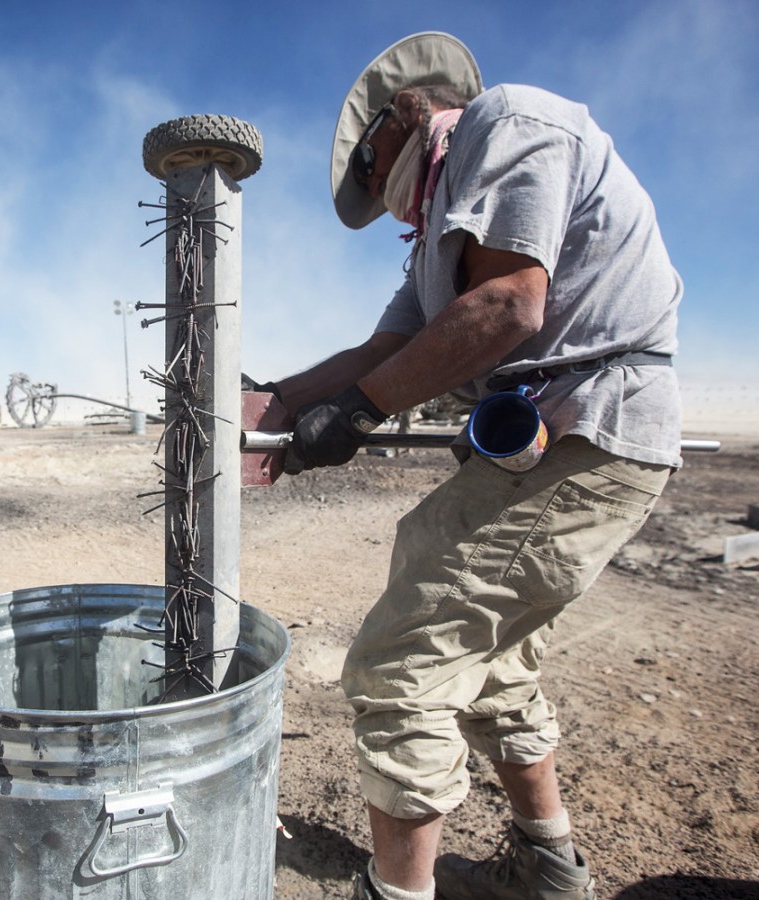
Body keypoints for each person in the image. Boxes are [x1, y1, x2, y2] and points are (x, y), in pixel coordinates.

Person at [258, 32, 682, 900]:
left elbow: (509, 304)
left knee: (402, 657)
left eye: (372, 177)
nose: (387, 205)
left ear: (396, 123)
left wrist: (362, 411)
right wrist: (276, 401)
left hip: (586, 426)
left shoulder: (507, 122)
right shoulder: (435, 241)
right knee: (489, 660)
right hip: (555, 437)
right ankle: (548, 865)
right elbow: (390, 345)